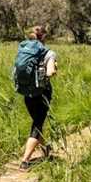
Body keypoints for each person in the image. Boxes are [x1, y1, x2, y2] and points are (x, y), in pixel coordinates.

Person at [17, 25, 57, 170]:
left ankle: (45, 148)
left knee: (37, 122)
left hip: (27, 94)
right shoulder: (49, 53)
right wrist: (52, 70)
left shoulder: (23, 49)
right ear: (44, 37)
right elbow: (51, 72)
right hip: (42, 94)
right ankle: (25, 160)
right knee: (37, 125)